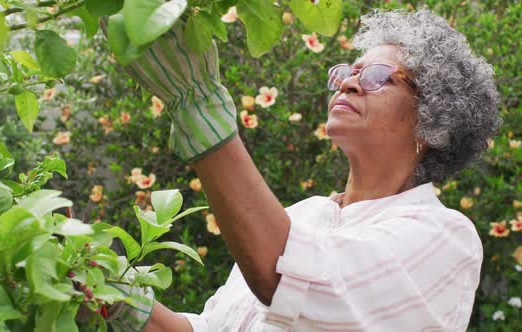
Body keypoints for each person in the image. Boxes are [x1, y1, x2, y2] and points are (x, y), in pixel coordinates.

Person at [104, 8, 501, 332]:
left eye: (378, 77)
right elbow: (211, 328)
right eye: (347, 71)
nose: (349, 84)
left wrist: (200, 106)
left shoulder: (445, 237)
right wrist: (118, 297)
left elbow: (285, 277)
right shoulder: (304, 215)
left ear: (433, 122)